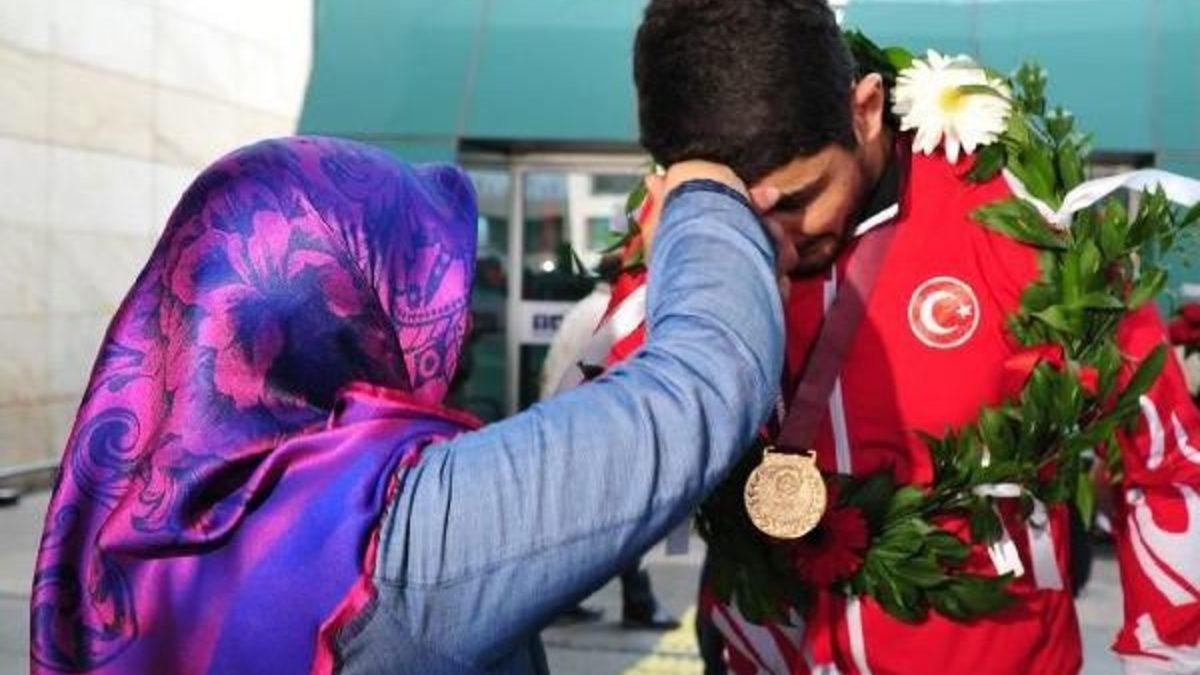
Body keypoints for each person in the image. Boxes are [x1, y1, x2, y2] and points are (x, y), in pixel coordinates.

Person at [28, 136, 786, 673]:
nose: (460, 328)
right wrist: (705, 191)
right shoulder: (373, 532)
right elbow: (699, 388)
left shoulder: (135, 526)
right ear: (330, 310)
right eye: (420, 291)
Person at [616, 0, 1200, 672]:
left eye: (800, 199)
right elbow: (627, 449)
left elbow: (1169, 460)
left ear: (864, 110)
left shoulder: (1022, 221)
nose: (779, 241)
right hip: (763, 649)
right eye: (743, 215)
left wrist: (1165, 654)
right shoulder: (679, 243)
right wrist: (675, 283)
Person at [541, 254, 681, 631]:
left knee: (580, 524)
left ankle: (563, 603)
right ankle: (639, 604)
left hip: (567, 427)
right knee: (624, 520)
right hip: (594, 432)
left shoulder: (583, 309)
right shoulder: (616, 314)